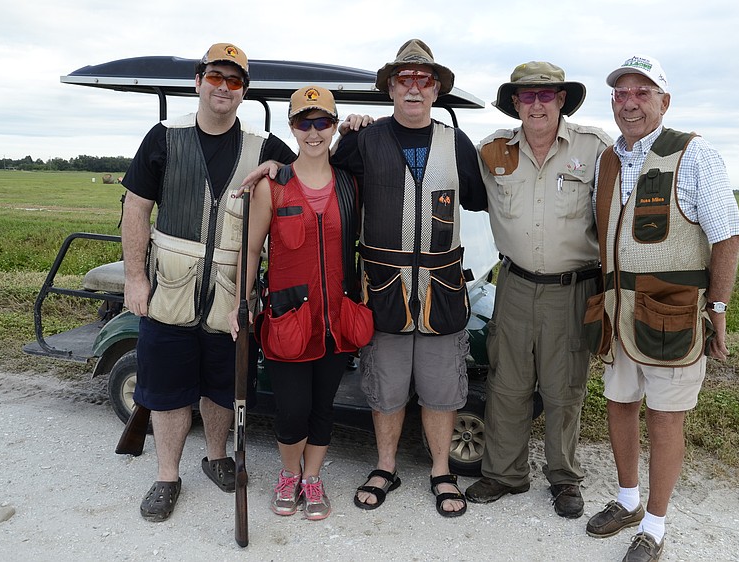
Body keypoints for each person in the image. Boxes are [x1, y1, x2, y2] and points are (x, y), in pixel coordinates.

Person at [121, 42, 296, 522]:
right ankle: (167, 477)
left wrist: (284, 167)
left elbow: (311, 168)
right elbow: (135, 209)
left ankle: (216, 456)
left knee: (223, 388)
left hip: (230, 297)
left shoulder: (265, 148)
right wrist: (135, 278)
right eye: (215, 77)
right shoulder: (163, 138)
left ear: (243, 92)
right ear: (198, 82)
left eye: (234, 81)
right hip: (168, 292)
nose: (223, 87)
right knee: (166, 391)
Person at [585, 55, 739, 561]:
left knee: (665, 418)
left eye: (642, 93)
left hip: (672, 315)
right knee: (618, 404)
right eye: (620, 94)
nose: (629, 103)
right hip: (618, 314)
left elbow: (728, 236)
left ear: (663, 101)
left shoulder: (693, 154)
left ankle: (654, 525)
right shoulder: (608, 159)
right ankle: (628, 499)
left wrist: (717, 308)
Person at [330, 38, 487, 518]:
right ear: (390, 88)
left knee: (442, 391)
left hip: (442, 291)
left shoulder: (456, 142)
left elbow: (481, 200)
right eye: (404, 79)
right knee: (387, 387)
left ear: (436, 89)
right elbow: (322, 179)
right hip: (383, 289)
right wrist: (341, 134)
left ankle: (441, 471)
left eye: (424, 80)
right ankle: (385, 467)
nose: (414, 88)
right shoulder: (362, 140)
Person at [464, 62, 611, 518]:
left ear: (562, 99)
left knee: (564, 387)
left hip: (573, 288)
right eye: (526, 96)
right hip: (514, 283)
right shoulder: (490, 151)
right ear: (514, 103)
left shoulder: (596, 148)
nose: (536, 104)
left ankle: (564, 478)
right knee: (507, 383)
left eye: (546, 95)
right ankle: (504, 473)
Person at [228, 86, 372, 521]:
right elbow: (252, 250)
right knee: (292, 410)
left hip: (336, 321)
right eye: (304, 123)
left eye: (323, 122)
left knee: (322, 408)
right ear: (291, 127)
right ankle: (288, 474)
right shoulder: (273, 184)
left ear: (333, 125)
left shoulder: (351, 183)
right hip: (289, 319)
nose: (313, 132)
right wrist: (242, 303)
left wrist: (362, 125)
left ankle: (313, 478)